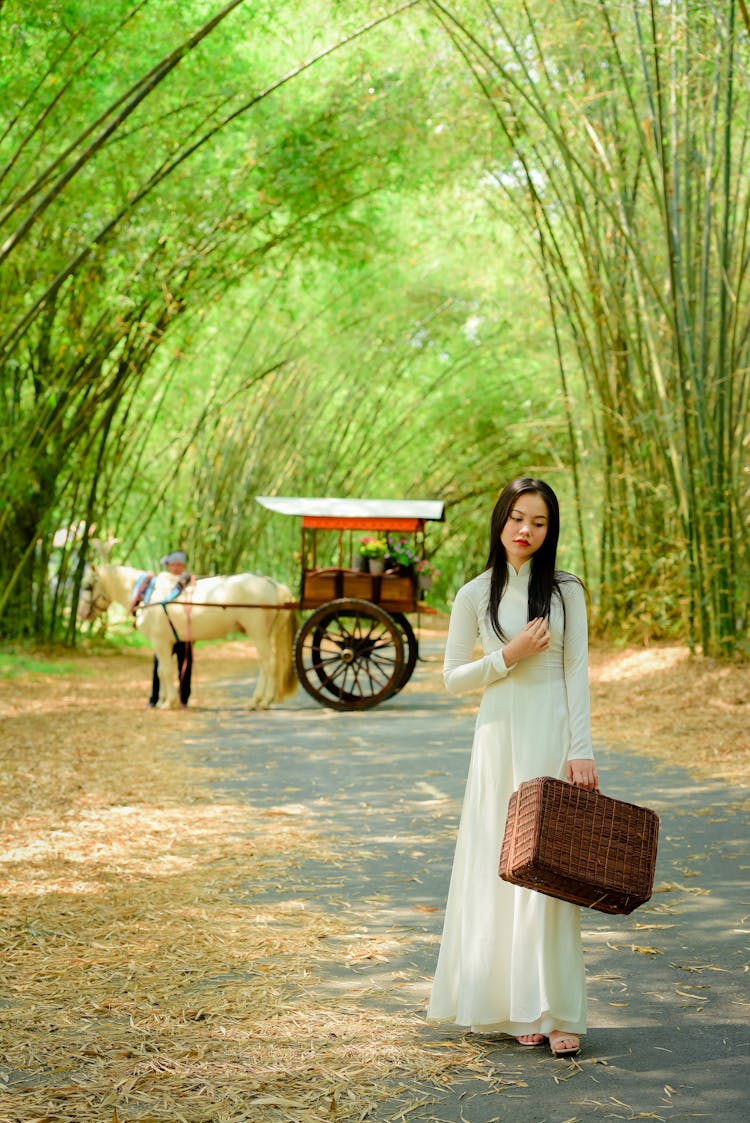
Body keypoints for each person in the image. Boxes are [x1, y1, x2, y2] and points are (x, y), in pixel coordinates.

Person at [427, 477, 598, 1058]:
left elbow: (576, 672)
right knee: (501, 864)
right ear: (500, 520)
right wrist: (508, 655)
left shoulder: (566, 589)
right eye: (517, 518)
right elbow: (452, 677)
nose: (526, 531)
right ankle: (511, 1006)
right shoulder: (474, 593)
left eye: (540, 523)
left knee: (550, 871)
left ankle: (558, 1011)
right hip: (499, 735)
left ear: (552, 531)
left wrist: (583, 749)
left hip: (550, 732)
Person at [147, 550, 194, 708]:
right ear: (168, 566)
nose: (176, 568)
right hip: (163, 630)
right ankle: (156, 697)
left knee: (185, 666)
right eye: (173, 564)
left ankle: (183, 699)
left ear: (184, 566)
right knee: (160, 665)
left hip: (183, 631)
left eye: (179, 565)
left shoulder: (189, 580)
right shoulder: (161, 580)